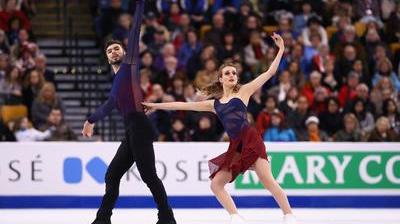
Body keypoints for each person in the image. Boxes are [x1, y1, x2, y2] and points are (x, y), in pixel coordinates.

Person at [143, 33, 297, 224]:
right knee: (216, 185)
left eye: (234, 73)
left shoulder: (244, 91)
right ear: (221, 79)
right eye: (227, 73)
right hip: (235, 146)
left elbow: (270, 73)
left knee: (268, 181)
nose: (232, 75)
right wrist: (155, 106)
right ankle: (235, 216)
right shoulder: (214, 104)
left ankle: (289, 215)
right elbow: (182, 104)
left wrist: (281, 49)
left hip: (250, 139)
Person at [81, 1, 176, 224]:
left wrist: (140, 5)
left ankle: (167, 217)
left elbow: (135, 30)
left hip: (140, 128)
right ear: (107, 58)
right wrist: (91, 120)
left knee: (149, 176)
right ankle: (102, 219)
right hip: (131, 130)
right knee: (112, 174)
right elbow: (112, 101)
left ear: (124, 51)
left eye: (116, 48)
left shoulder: (130, 65)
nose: (113, 51)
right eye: (109, 50)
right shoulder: (117, 80)